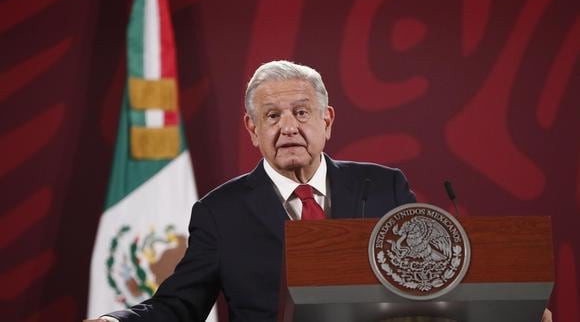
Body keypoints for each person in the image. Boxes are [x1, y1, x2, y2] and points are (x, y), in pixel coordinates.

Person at [87, 60, 551, 322]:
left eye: (301, 113)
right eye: (272, 116)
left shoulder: (385, 186)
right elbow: (178, 306)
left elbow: (434, 283)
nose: (288, 127)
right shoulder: (219, 213)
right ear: (252, 129)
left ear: (326, 121)